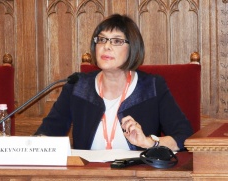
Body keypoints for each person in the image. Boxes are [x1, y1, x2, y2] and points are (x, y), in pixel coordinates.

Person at [35, 14, 193, 151]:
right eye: (102, 39)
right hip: (87, 176)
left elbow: (184, 136)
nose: (106, 46)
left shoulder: (152, 87)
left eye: (117, 41)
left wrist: (149, 142)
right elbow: (47, 134)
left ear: (133, 48)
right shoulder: (77, 86)